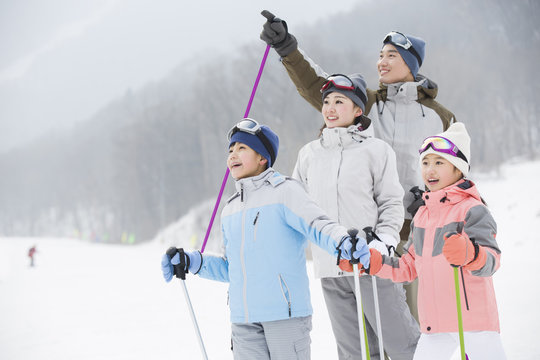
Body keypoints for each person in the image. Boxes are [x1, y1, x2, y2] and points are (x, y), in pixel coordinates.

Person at [260, 10, 457, 323]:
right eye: (380, 55)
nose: (381, 61)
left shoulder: (440, 116)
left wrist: (434, 199)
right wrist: (288, 49)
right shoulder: (365, 103)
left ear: (411, 63)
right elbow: (318, 85)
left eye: (391, 55)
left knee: (416, 324)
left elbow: (457, 173)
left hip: (421, 233)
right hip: (369, 232)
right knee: (372, 328)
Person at [161, 119, 369, 360]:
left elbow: (318, 225)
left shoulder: (285, 192)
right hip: (244, 321)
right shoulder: (230, 209)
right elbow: (232, 269)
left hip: (285, 316)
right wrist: (193, 262)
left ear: (262, 158)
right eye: (230, 150)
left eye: (241, 148)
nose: (232, 155)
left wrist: (343, 242)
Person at [345, 122, 506, 359]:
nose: (430, 170)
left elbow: (491, 260)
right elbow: (409, 266)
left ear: (458, 169)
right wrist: (373, 262)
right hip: (434, 324)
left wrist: (470, 254)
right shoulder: (423, 215)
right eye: (425, 162)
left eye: (439, 163)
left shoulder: (472, 210)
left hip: (473, 324)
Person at [292, 73, 420, 359]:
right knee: (355, 353)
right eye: (327, 102)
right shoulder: (309, 154)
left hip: (371, 262)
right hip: (330, 268)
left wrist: (384, 241)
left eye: (340, 101)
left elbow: (391, 202)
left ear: (358, 110)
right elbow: (298, 208)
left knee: (403, 345)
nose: (330, 108)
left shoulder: (376, 150)